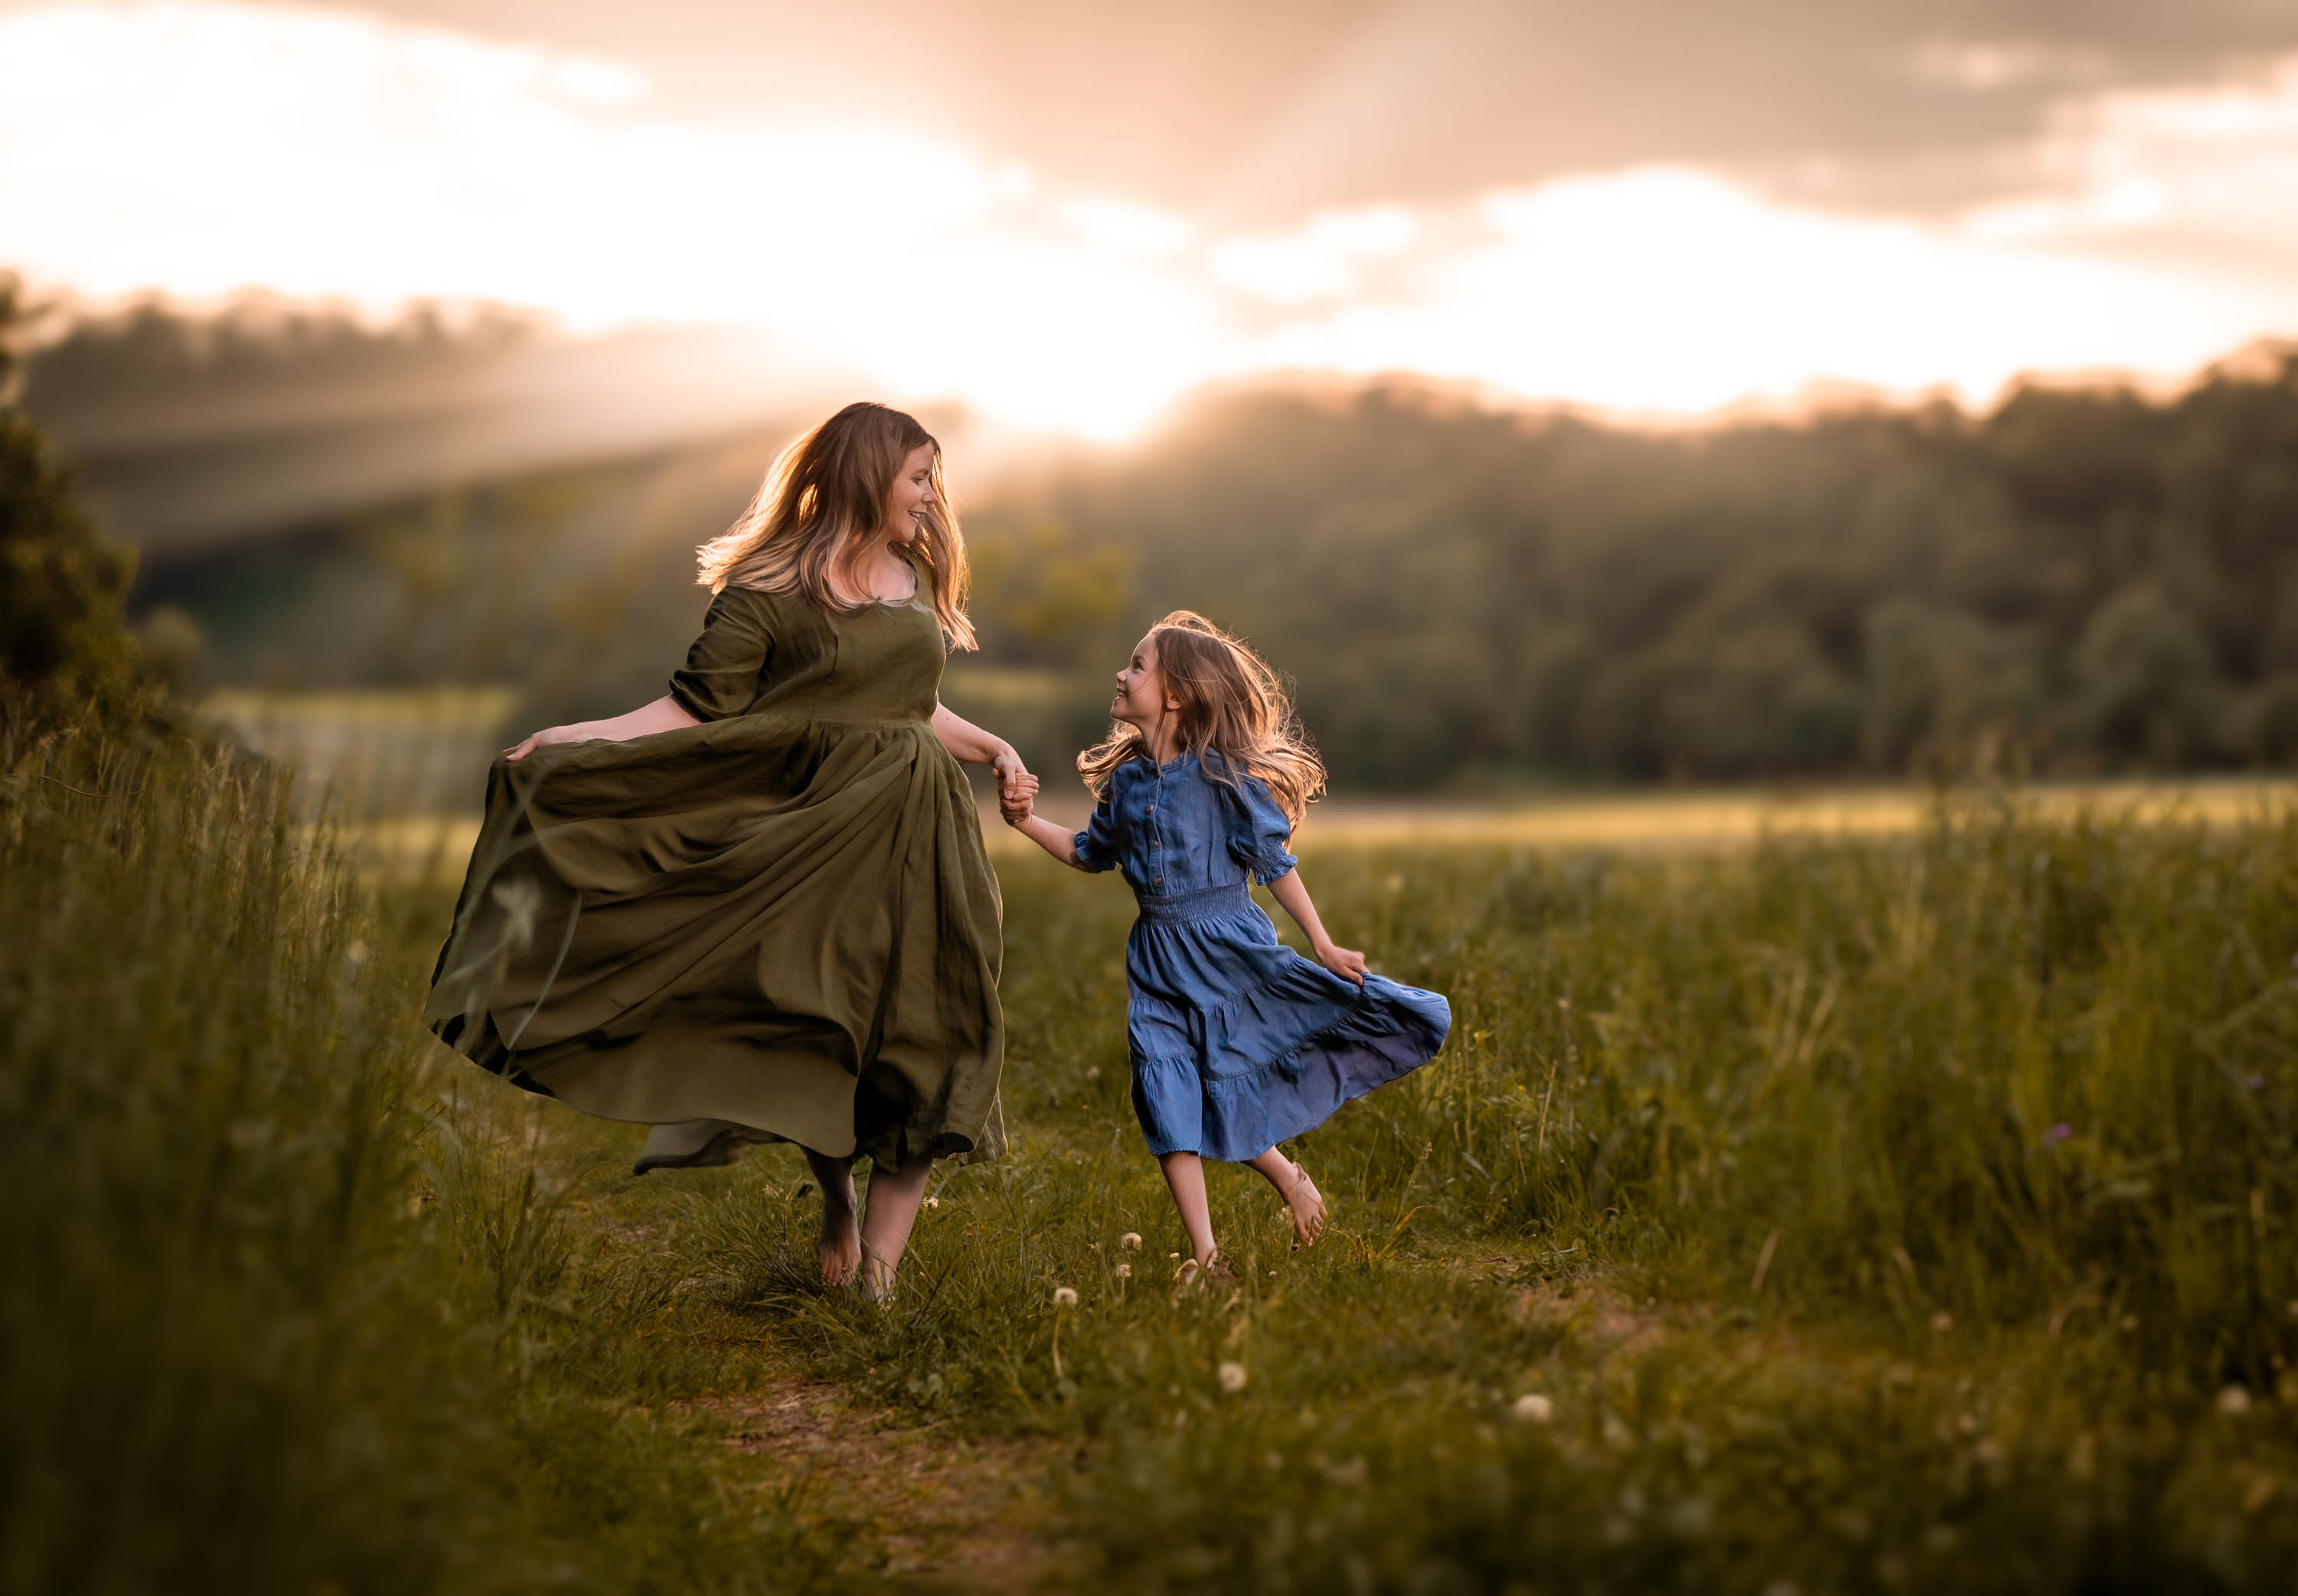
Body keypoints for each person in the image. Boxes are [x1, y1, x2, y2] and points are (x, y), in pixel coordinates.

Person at [424, 401, 1027, 1302]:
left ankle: (879, 1283)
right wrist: (576, 739)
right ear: (868, 476)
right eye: (916, 476)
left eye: (931, 476)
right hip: (814, 838)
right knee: (821, 1029)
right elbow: (689, 709)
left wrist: (998, 749)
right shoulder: (769, 589)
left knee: (935, 1029)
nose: (930, 494)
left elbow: (913, 703)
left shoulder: (914, 570)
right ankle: (838, 1202)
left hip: (922, 835)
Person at [998, 611, 1449, 1279]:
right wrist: (1025, 820)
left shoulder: (1222, 779)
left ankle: (1289, 1178)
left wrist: (1322, 945)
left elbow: (1276, 864)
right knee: (1163, 1089)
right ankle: (1208, 1261)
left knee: (1222, 1079)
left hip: (1228, 951)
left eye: (1138, 666)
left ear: (1176, 695)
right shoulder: (1126, 786)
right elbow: (1088, 852)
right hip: (1155, 959)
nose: (1121, 675)